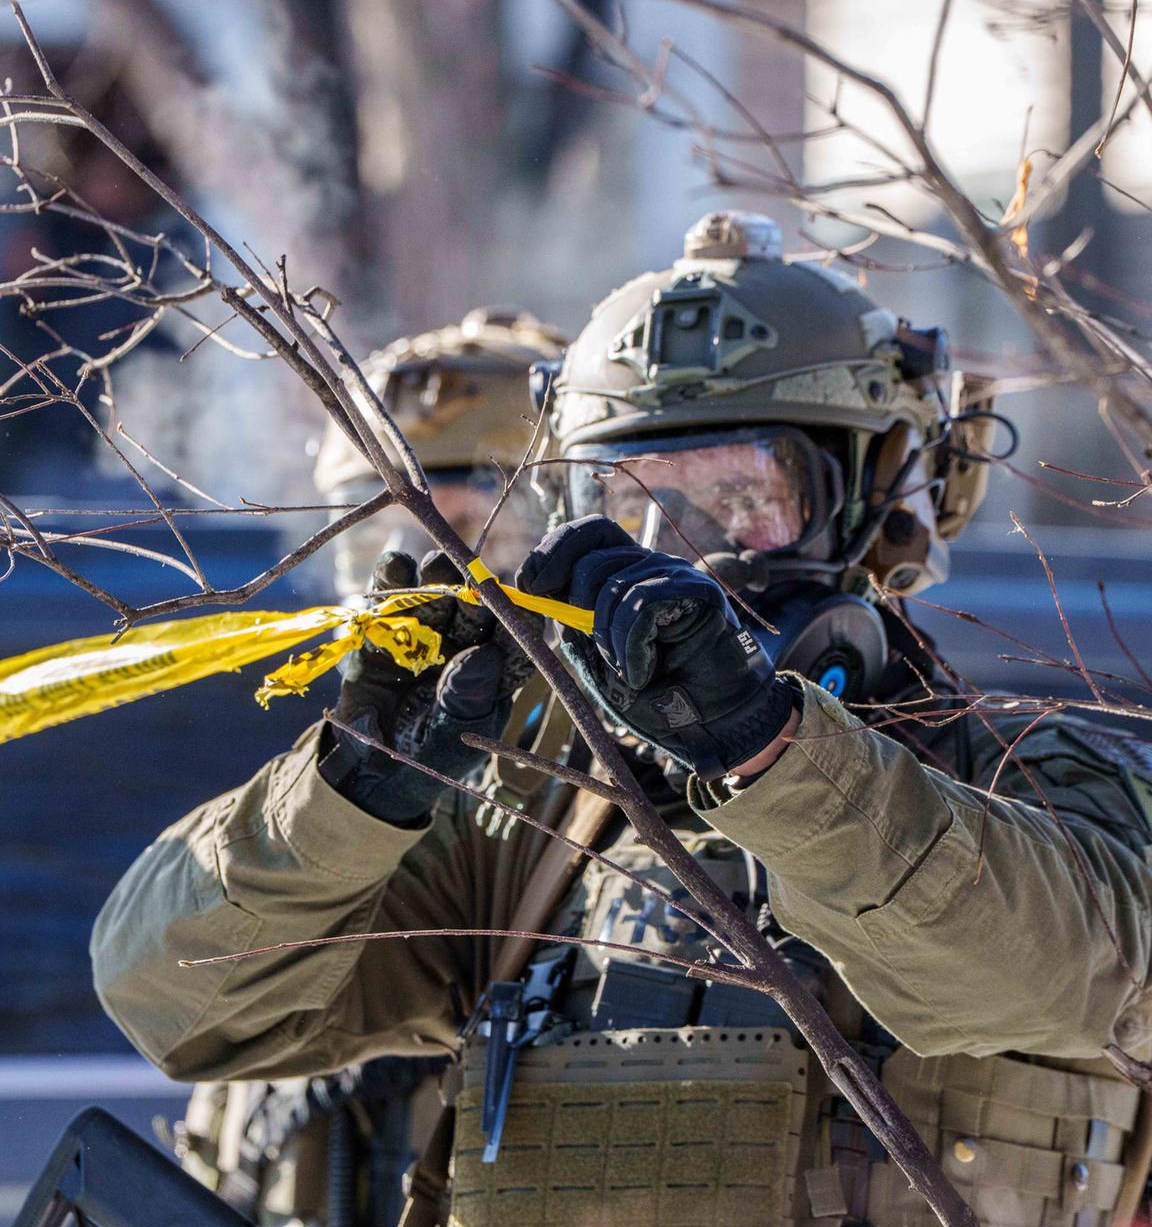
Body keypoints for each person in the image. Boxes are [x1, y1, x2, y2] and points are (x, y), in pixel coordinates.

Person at [92, 213, 1152, 1227]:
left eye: (742, 497)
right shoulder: (536, 827)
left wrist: (775, 753)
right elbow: (172, 999)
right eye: (631, 503)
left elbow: (1056, 971)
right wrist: (350, 796)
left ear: (875, 497)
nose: (681, 555)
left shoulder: (1043, 781)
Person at [138, 306, 567, 1227]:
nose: (432, 570)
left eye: (490, 523)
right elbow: (151, 985)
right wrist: (352, 798)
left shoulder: (603, 842)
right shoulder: (311, 808)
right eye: (379, 536)